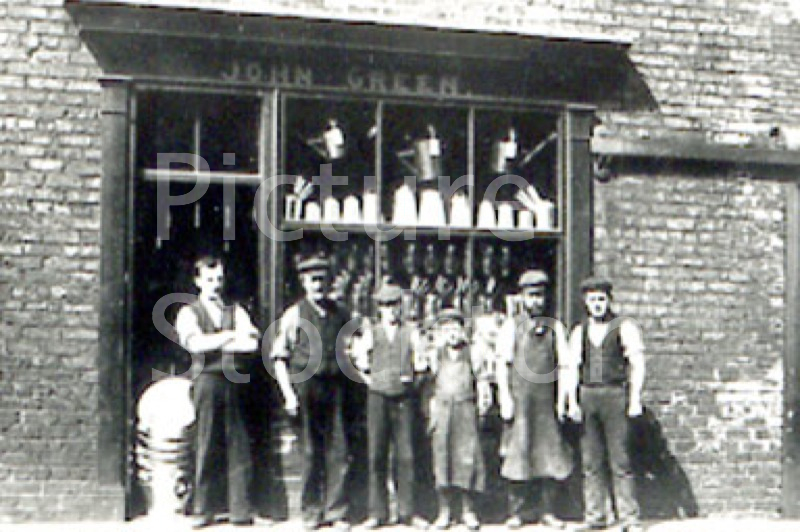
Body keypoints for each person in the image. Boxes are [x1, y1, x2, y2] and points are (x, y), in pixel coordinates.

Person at [174, 255, 260, 528]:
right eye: (209, 280)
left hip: (234, 383)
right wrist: (229, 337)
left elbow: (251, 344)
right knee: (206, 442)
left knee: (239, 443)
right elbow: (195, 344)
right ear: (198, 281)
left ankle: (240, 510)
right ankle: (202, 509)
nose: (215, 285)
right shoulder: (189, 312)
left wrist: (221, 341)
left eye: (219, 279)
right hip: (207, 382)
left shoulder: (236, 310)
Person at [271, 254, 353, 531]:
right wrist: (289, 395)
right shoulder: (294, 314)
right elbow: (279, 357)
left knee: (338, 449)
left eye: (323, 280)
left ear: (329, 282)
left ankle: (336, 511)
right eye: (313, 280)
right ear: (304, 283)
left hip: (337, 386)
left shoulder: (341, 312)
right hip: (307, 387)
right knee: (310, 450)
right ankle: (310, 512)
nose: (318, 285)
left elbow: (353, 347)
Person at [566, 276, 646, 532]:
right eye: (592, 300)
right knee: (591, 460)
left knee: (620, 459)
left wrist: (634, 399)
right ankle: (595, 516)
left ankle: (629, 518)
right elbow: (571, 368)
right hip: (588, 395)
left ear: (609, 301)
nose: (597, 305)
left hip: (614, 395)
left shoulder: (624, 326)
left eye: (601, 299)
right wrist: (571, 401)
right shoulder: (580, 331)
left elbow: (638, 363)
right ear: (586, 303)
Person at [496, 269, 573, 529]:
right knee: (518, 455)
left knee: (549, 456)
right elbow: (502, 364)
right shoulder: (511, 326)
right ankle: (518, 512)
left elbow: (564, 366)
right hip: (520, 401)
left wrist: (563, 399)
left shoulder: (556, 327)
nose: (536, 301)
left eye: (540, 296)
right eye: (531, 296)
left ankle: (547, 511)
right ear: (522, 297)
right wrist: (505, 397)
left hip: (545, 402)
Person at [356, 283, 429, 529]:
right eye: (385, 306)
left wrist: (412, 385)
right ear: (379, 309)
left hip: (404, 399)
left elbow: (422, 366)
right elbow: (360, 362)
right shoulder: (372, 332)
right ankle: (377, 513)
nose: (390, 310)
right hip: (377, 398)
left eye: (394, 305)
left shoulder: (411, 332)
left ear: (402, 306)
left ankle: (407, 512)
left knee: (406, 455)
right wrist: (371, 382)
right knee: (376, 453)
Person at [424, 308, 491, 531]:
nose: (452, 333)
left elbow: (482, 380)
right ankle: (444, 512)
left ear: (463, 330)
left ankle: (468, 510)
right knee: (442, 460)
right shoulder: (435, 355)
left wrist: (482, 404)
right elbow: (428, 385)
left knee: (467, 459)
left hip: (465, 409)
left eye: (456, 328)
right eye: (447, 329)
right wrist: (430, 410)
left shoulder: (473, 353)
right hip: (443, 410)